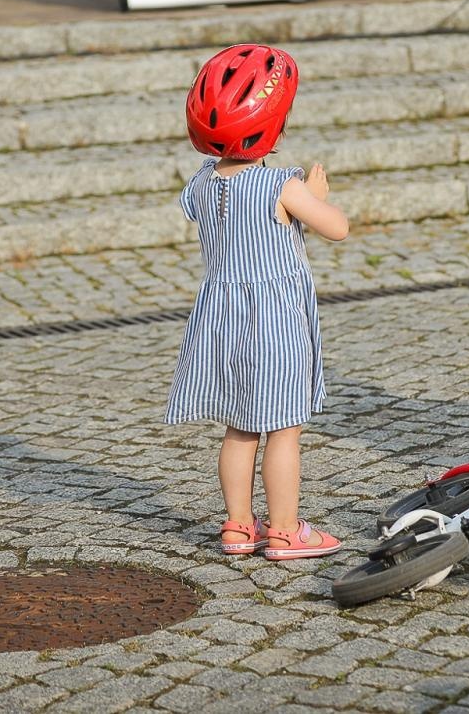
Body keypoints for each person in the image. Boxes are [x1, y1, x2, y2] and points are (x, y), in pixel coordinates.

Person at [166, 44, 350, 561]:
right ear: (274, 127)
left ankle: (238, 527)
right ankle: (287, 531)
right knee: (283, 430)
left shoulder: (201, 183)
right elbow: (337, 228)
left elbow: (221, 212)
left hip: (222, 321)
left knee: (240, 428)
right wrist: (313, 194)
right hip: (273, 322)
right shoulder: (279, 184)